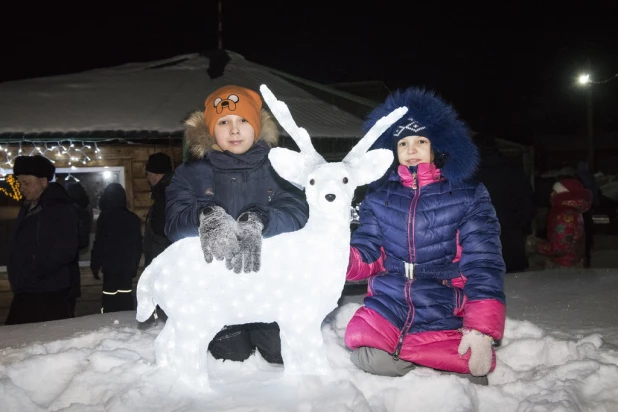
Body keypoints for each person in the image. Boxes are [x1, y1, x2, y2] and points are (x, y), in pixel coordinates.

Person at [345, 88, 506, 385]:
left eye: (421, 140)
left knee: (472, 370)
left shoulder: (468, 195)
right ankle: (416, 360)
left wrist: (480, 330)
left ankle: (426, 358)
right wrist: (335, 255)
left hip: (443, 305)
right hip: (390, 303)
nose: (411, 148)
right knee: (369, 355)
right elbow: (368, 252)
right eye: (403, 142)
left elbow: (483, 264)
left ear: (438, 147)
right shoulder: (379, 195)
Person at [165, 85, 309, 364]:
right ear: (209, 130)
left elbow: (298, 213)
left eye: (243, 120)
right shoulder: (190, 173)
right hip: (215, 288)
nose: (234, 130)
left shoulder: (280, 168)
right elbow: (173, 224)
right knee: (235, 357)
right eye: (224, 122)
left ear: (257, 126)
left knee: (279, 354)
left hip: (271, 285)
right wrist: (205, 214)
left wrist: (262, 219)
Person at [6, 155, 78, 325]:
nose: (22, 188)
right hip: (28, 289)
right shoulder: (27, 209)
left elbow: (65, 249)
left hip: (48, 292)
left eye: (27, 183)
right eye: (20, 183)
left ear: (44, 182)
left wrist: (37, 271)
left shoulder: (59, 209)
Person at [472, 132, 536, 273]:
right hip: (511, 246)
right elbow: (529, 208)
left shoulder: (467, 177)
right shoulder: (514, 173)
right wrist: (514, 225)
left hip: (477, 248)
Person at [90, 183, 143, 313]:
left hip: (110, 268)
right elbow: (137, 246)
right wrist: (134, 266)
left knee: (109, 299)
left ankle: (109, 324)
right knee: (125, 297)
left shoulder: (104, 218)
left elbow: (99, 244)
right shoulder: (133, 219)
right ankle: (126, 326)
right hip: (126, 268)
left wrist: (95, 265)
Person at [532, 178, 592, 268]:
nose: (551, 194)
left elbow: (558, 248)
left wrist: (534, 245)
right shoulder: (574, 212)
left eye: (554, 192)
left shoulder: (563, 215)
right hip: (573, 262)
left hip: (563, 267)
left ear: (563, 194)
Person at [64, 181, 93, 317]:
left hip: (62, 266)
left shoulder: (67, 210)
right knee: (69, 305)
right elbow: (82, 242)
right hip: (71, 264)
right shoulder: (84, 209)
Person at [144, 152, 173, 267]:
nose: (147, 177)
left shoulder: (166, 195)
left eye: (148, 173)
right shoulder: (164, 192)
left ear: (155, 175)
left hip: (163, 263)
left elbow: (161, 232)